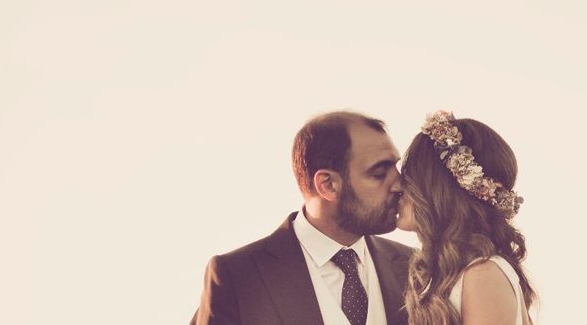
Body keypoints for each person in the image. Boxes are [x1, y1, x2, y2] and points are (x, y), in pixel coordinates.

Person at [191, 111, 414, 325]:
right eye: (379, 174)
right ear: (327, 185)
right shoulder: (239, 276)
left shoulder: (413, 266)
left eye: (396, 168)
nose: (399, 185)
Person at [397, 111, 537, 325]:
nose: (398, 187)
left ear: (437, 189)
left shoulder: (482, 275)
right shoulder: (451, 274)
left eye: (409, 177)